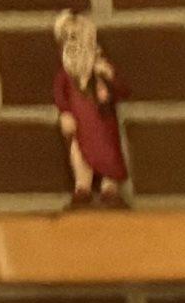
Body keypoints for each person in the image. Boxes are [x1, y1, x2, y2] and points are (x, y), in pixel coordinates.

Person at [49, 11, 130, 206]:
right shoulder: (67, 76)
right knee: (79, 155)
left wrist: (109, 78)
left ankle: (109, 189)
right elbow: (61, 95)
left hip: (102, 125)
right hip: (81, 125)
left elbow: (123, 91)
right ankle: (82, 188)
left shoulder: (99, 69)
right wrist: (65, 113)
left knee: (108, 155)